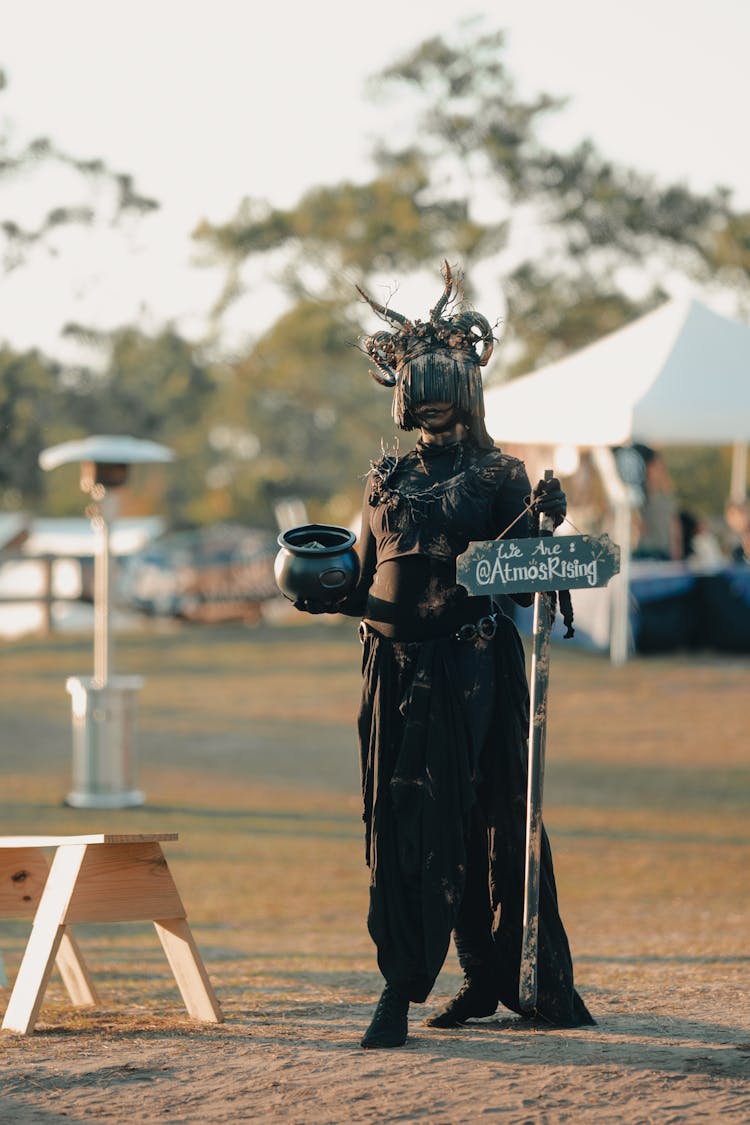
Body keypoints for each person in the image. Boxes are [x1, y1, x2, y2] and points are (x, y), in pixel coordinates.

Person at [296, 262, 594, 1048]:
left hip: (468, 668)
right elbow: (364, 579)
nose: (428, 398)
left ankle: (409, 987)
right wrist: (325, 592)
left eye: (442, 381)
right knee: (400, 823)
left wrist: (544, 522)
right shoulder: (385, 476)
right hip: (388, 671)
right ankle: (467, 979)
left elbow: (526, 578)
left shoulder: (501, 474)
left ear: (466, 386)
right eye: (414, 383)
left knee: (467, 817)